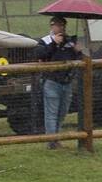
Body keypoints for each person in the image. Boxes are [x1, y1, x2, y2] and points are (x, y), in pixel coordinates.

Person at [35, 15, 83, 149]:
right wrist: (54, 43)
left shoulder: (69, 41)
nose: (60, 28)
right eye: (57, 25)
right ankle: (52, 141)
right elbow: (40, 54)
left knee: (62, 112)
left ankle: (56, 138)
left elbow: (77, 57)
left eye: (62, 25)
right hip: (51, 81)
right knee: (51, 113)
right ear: (52, 26)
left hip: (66, 82)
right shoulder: (45, 41)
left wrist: (78, 51)